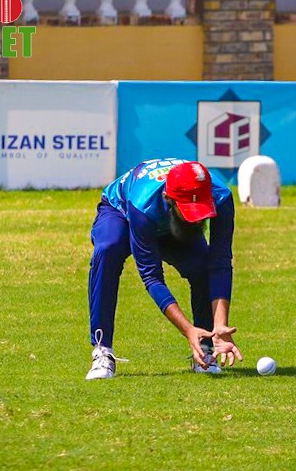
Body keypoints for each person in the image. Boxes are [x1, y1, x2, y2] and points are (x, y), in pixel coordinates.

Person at [85, 158, 243, 380]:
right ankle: (102, 350)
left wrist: (220, 325)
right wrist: (187, 329)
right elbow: (151, 276)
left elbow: (221, 260)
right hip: (122, 212)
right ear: (169, 198)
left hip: (168, 223)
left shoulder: (221, 196)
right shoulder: (143, 203)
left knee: (202, 265)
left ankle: (206, 348)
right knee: (108, 249)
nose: (196, 219)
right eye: (190, 211)